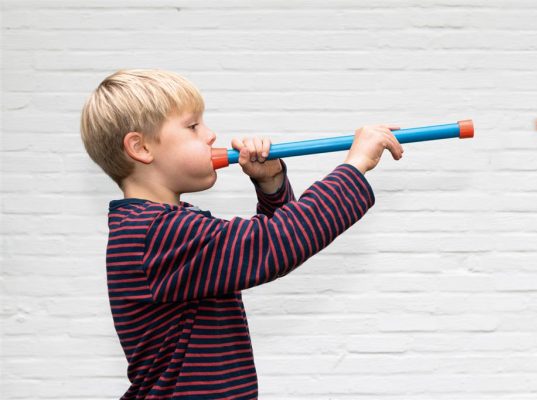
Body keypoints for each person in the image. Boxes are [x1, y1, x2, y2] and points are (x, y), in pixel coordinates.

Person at [80, 69, 404, 400]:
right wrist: (355, 164)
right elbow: (275, 243)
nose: (210, 135)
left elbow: (267, 250)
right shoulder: (155, 233)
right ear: (141, 147)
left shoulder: (162, 225)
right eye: (193, 127)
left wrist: (271, 182)